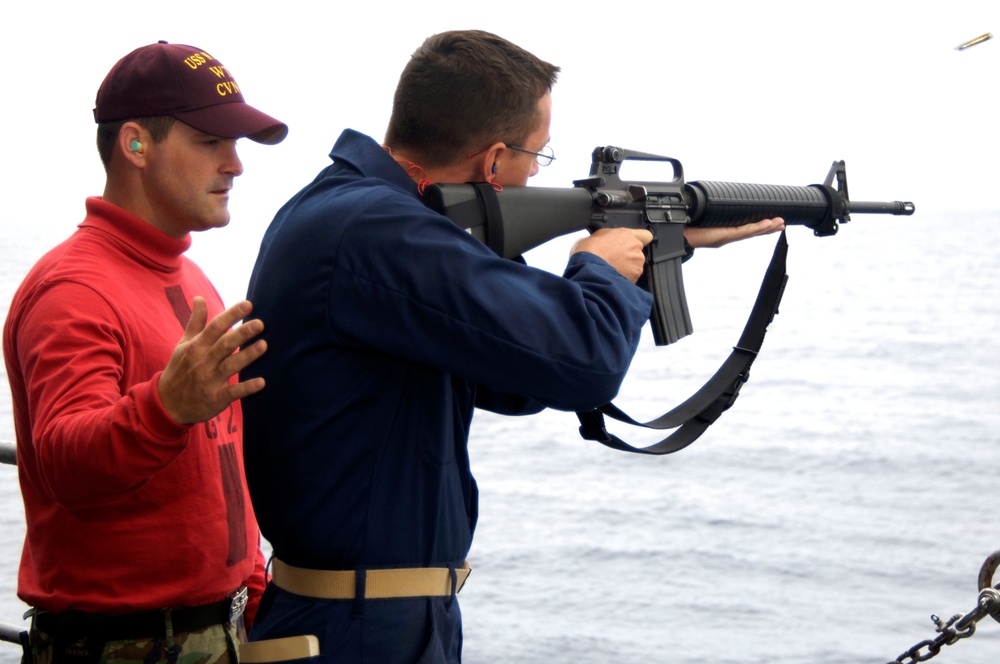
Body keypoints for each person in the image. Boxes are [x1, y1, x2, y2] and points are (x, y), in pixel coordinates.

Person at [240, 30, 783, 663]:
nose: (534, 174)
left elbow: (523, 382)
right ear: (494, 160)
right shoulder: (377, 231)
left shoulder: (363, 217)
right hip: (356, 629)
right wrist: (600, 268)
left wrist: (660, 243)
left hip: (377, 616)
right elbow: (584, 363)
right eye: (538, 156)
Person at [2, 41, 287, 664]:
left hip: (220, 630)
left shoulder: (191, 277)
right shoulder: (72, 289)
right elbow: (63, 462)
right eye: (212, 142)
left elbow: (219, 463)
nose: (235, 165)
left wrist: (250, 589)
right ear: (135, 144)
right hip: (121, 646)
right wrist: (164, 407)